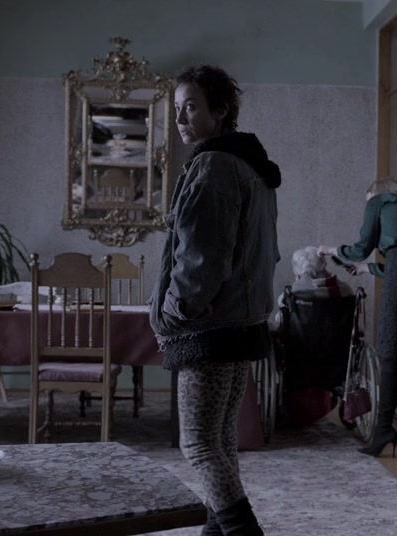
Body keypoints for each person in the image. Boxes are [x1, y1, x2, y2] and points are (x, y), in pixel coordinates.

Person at [148, 65, 279, 536]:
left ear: (220, 111)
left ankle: (243, 532)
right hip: (240, 323)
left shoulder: (214, 166)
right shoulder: (249, 164)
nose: (180, 118)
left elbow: (202, 256)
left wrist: (174, 311)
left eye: (191, 107)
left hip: (209, 327)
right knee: (219, 439)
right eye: (177, 108)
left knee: (199, 444)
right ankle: (216, 532)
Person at [318, 178, 397, 457]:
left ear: (375, 193)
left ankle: (384, 429)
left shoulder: (378, 202)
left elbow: (361, 249)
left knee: (388, 353)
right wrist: (366, 269)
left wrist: (330, 250)